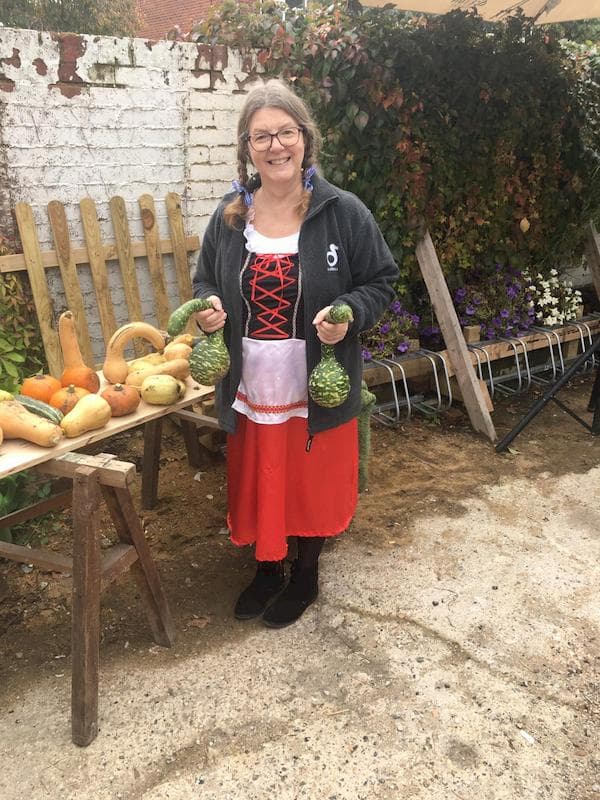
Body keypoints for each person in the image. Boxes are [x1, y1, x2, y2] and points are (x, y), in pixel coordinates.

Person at [192, 79, 398, 628]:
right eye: (262, 136)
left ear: (305, 139)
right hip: (250, 381)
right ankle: (266, 568)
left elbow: (381, 281)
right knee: (260, 473)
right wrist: (209, 309)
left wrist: (349, 313)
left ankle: (305, 574)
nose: (276, 145)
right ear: (247, 147)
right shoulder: (231, 216)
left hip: (316, 378)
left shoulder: (341, 211)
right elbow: (203, 282)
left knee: (307, 479)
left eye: (286, 132)